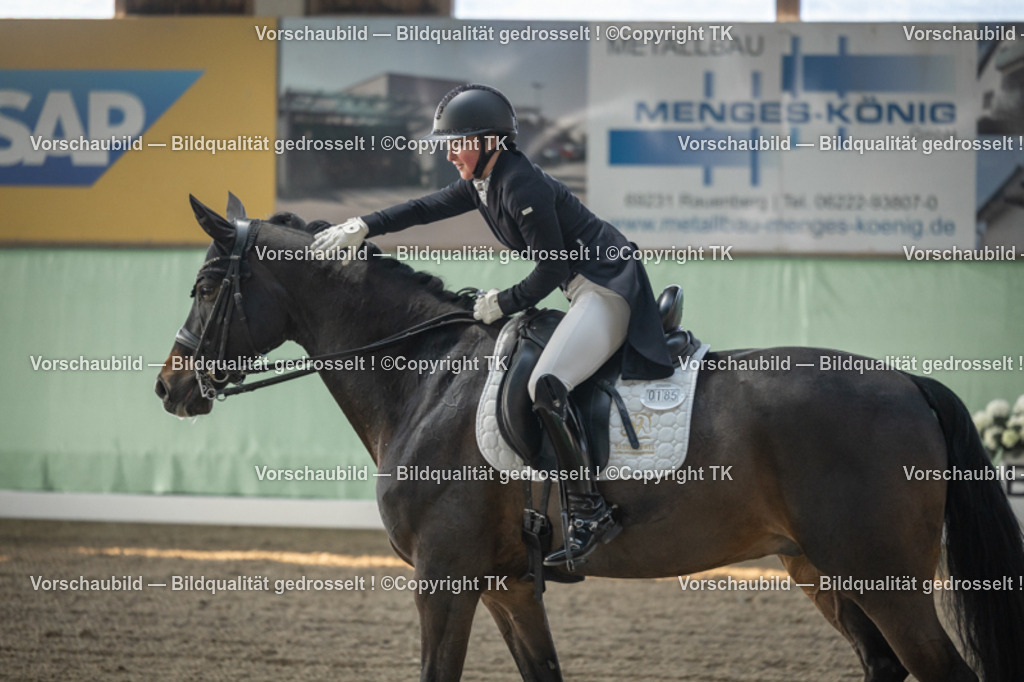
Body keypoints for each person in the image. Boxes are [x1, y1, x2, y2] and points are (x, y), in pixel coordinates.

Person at [312, 84, 673, 567]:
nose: (448, 153)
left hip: (608, 286)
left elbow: (550, 267)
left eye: (456, 142)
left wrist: (503, 302)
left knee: (547, 384)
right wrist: (364, 225)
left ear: (490, 143)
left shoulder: (519, 183)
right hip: (582, 285)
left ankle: (589, 510)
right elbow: (424, 208)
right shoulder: (487, 180)